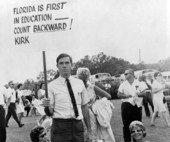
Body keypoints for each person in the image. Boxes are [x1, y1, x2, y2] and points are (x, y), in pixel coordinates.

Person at [43, 53, 92, 142]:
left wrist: (89, 130)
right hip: (60, 127)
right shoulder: (51, 86)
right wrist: (47, 106)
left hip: (78, 126)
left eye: (67, 63)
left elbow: (84, 107)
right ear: (57, 66)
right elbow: (49, 113)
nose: (64, 66)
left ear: (71, 65)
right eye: (61, 63)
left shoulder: (79, 83)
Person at [76, 67, 115, 142]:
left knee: (84, 136)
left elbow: (108, 96)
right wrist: (94, 103)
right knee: (92, 136)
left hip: (80, 115)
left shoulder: (77, 89)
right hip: (90, 115)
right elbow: (108, 96)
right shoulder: (92, 87)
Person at [117, 69, 147, 142]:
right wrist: (127, 95)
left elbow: (144, 93)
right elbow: (119, 94)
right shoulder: (123, 84)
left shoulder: (140, 83)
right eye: (125, 74)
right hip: (126, 105)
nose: (125, 75)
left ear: (132, 74)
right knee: (126, 126)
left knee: (137, 125)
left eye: (126, 73)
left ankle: (137, 140)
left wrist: (137, 94)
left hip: (136, 106)